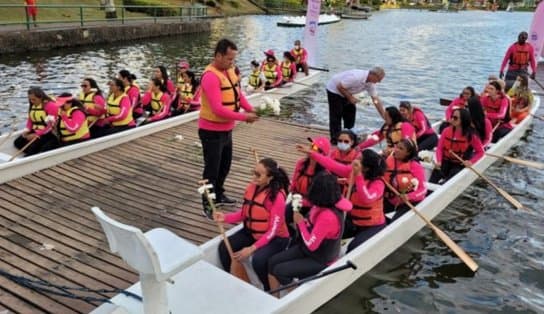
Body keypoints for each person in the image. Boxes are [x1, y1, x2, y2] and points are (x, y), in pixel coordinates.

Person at [199, 38, 259, 218]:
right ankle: (208, 205)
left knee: (224, 166)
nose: (231, 63)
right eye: (229, 59)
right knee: (211, 170)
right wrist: (243, 117)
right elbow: (217, 108)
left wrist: (250, 109)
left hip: (226, 130)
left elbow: (237, 95)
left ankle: (219, 194)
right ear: (218, 55)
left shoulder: (229, 71)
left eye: (233, 59)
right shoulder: (210, 76)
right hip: (211, 131)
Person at [268, 172, 352, 296]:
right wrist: (297, 201)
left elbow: (311, 244)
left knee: (280, 271)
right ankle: (274, 297)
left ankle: (296, 297)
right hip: (306, 250)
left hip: (320, 259)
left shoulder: (328, 216)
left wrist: (300, 223)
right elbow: (310, 207)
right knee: (272, 262)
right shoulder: (323, 203)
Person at [214, 158, 291, 291]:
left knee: (259, 260)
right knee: (224, 248)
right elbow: (244, 213)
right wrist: (225, 217)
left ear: (270, 177)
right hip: (252, 232)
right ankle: (234, 280)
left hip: (275, 238)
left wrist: (251, 249)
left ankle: (267, 289)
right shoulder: (252, 188)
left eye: (258, 175)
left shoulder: (276, 197)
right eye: (254, 172)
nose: (254, 177)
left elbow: (273, 231)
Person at [297, 144, 386, 252]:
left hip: (371, 226)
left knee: (353, 248)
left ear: (366, 168)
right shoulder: (351, 171)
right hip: (351, 221)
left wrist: (358, 177)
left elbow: (366, 198)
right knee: (321, 233)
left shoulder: (378, 184)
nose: (354, 161)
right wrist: (312, 153)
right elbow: (332, 165)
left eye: (358, 159)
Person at [325, 67, 386, 143]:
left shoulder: (371, 84)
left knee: (351, 112)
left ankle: (348, 136)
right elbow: (339, 86)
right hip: (334, 90)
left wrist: (384, 115)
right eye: (379, 79)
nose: (379, 81)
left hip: (347, 91)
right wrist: (350, 97)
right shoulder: (356, 77)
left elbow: (375, 100)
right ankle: (335, 139)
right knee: (336, 115)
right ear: (373, 75)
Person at [429, 108, 484, 184]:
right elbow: (439, 149)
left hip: (459, 164)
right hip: (445, 162)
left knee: (450, 179)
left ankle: (443, 184)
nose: (452, 119)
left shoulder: (472, 135)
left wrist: (471, 162)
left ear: (463, 120)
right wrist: (439, 161)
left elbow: (480, 152)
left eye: (455, 118)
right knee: (434, 177)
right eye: (452, 116)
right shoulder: (446, 131)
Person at [383, 138, 427, 221]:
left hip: (408, 202)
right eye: (396, 147)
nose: (396, 150)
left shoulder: (415, 166)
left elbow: (423, 189)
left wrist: (409, 196)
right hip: (390, 199)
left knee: (395, 222)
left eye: (401, 149)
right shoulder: (388, 160)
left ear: (408, 153)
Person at [289, 136, 330, 216]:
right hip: (296, 200)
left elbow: (320, 199)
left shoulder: (325, 174)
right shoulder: (301, 163)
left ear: (322, 153)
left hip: (312, 207)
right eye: (311, 145)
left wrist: (301, 202)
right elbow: (293, 183)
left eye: (314, 147)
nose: (310, 148)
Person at [13, 87, 59, 156]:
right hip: (36, 130)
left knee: (33, 147)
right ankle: (35, 152)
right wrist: (27, 130)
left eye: (34, 99)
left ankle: (32, 153)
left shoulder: (51, 106)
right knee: (17, 142)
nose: (32, 101)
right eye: (30, 99)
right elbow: (30, 120)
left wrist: (37, 134)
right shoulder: (33, 105)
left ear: (41, 97)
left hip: (47, 133)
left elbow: (50, 126)